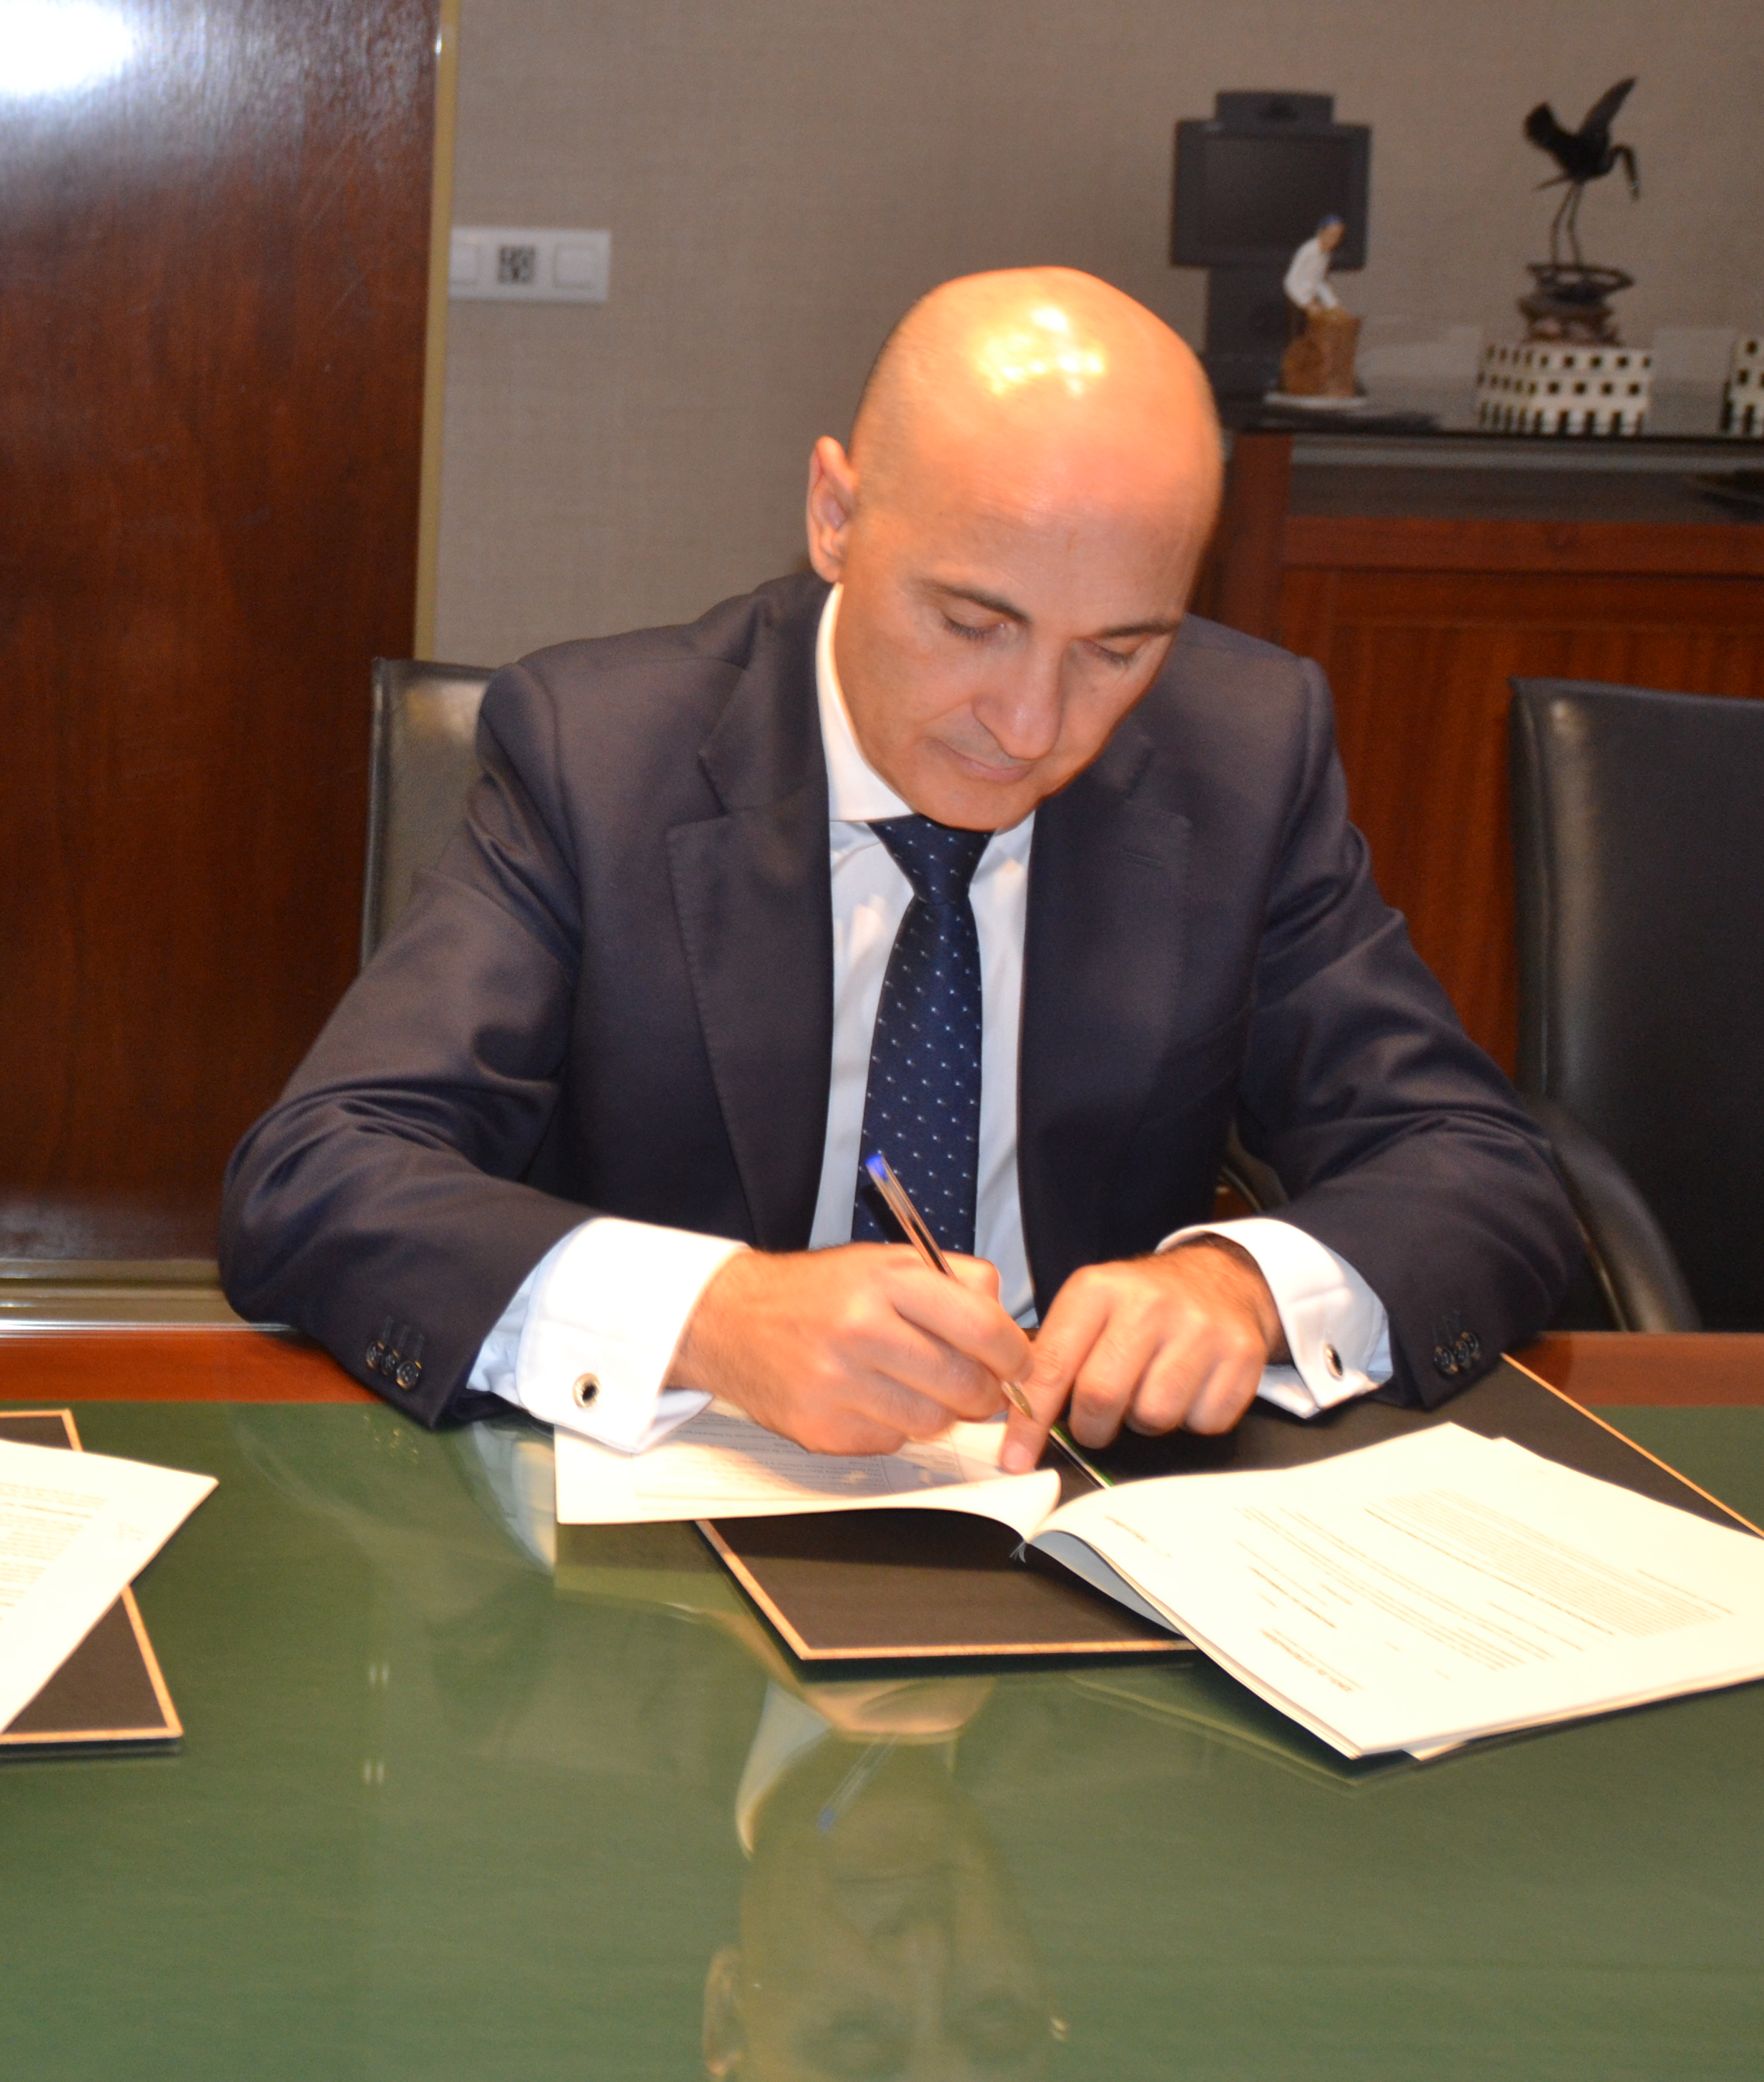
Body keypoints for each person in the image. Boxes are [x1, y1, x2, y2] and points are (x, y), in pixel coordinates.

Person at [222, 267, 1579, 1471]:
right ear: (835, 515)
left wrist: (1245, 1285)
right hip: (671, 1517)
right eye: (974, 622)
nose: (1034, 727)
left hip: (1091, 1529)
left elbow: (1480, 1172)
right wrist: (713, 1318)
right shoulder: (603, 757)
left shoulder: (1242, 755)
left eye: (1118, 649)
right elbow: (322, 1175)